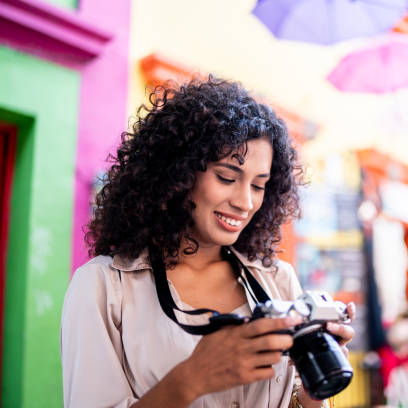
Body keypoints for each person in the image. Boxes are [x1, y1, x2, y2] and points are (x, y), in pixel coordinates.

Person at [61, 77, 355, 408]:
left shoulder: (277, 280)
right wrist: (192, 378)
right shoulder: (103, 287)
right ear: (178, 174)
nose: (245, 202)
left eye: (258, 186)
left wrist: (315, 391)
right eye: (227, 177)